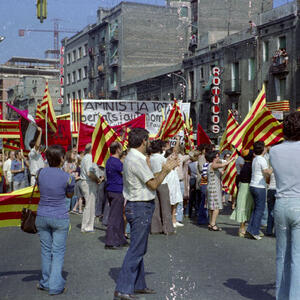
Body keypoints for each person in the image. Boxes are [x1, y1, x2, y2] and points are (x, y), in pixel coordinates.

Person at [114, 128, 178, 300]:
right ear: (143, 141)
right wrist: (165, 169)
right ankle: (123, 288)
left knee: (138, 246)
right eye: (148, 140)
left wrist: (167, 169)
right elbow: (153, 184)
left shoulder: (134, 158)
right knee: (136, 249)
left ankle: (137, 284)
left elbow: (150, 178)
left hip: (138, 205)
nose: (149, 143)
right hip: (140, 206)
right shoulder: (136, 160)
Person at [35, 145, 75, 295]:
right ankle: (55, 285)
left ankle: (45, 282)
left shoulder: (40, 173)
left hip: (42, 215)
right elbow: (69, 196)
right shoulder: (68, 177)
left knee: (46, 251)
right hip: (59, 216)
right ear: (61, 159)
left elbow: (39, 190)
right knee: (57, 252)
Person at [269, 111, 300, 300]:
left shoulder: (274, 150)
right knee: (298, 256)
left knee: (282, 254)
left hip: (281, 204)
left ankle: (282, 296)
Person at [246, 141, 272, 240]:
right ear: (263, 149)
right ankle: (254, 231)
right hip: (259, 186)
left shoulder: (255, 159)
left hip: (253, 185)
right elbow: (266, 172)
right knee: (259, 210)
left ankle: (250, 229)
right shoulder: (262, 159)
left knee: (256, 209)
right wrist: (273, 168)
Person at [104, 141, 128, 249]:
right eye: (121, 148)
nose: (122, 149)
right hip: (116, 191)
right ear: (118, 150)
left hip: (112, 190)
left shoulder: (110, 160)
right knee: (115, 217)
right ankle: (110, 241)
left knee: (118, 217)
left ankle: (120, 238)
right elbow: (126, 173)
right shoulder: (116, 162)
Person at [149, 140, 174, 235]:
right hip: (163, 182)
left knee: (155, 206)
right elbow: (169, 168)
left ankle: (155, 228)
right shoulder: (161, 158)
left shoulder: (150, 158)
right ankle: (168, 228)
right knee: (165, 207)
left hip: (153, 182)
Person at [205, 150, 234, 231]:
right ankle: (213, 224)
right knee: (216, 207)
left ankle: (211, 223)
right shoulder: (212, 164)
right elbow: (222, 164)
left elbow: (221, 169)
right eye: (217, 156)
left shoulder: (211, 165)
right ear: (214, 158)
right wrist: (230, 161)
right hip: (214, 188)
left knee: (212, 207)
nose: (218, 158)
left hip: (212, 187)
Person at [230, 150, 254, 237]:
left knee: (244, 206)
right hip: (246, 187)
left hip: (243, 186)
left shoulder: (245, 165)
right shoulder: (248, 166)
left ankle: (242, 228)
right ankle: (242, 228)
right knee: (245, 206)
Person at [80, 143, 103, 233]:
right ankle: (86, 226)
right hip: (88, 183)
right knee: (90, 205)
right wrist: (98, 180)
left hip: (87, 182)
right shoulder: (89, 157)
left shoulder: (86, 157)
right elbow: (89, 173)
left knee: (90, 204)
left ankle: (88, 226)